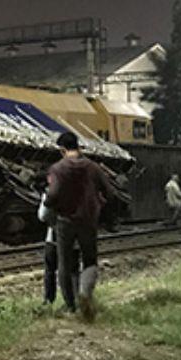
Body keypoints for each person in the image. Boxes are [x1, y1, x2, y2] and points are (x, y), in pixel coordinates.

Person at [45, 131, 112, 321]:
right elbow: (110, 192)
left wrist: (49, 203)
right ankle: (84, 292)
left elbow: (53, 193)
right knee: (90, 260)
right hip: (89, 221)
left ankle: (70, 306)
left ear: (62, 150)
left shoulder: (58, 168)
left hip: (65, 221)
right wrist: (100, 208)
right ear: (78, 146)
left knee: (64, 264)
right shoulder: (93, 168)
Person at [38, 193, 78, 313]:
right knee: (73, 271)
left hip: (54, 236)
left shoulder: (51, 192)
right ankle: (76, 301)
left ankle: (49, 300)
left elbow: (43, 215)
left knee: (51, 269)